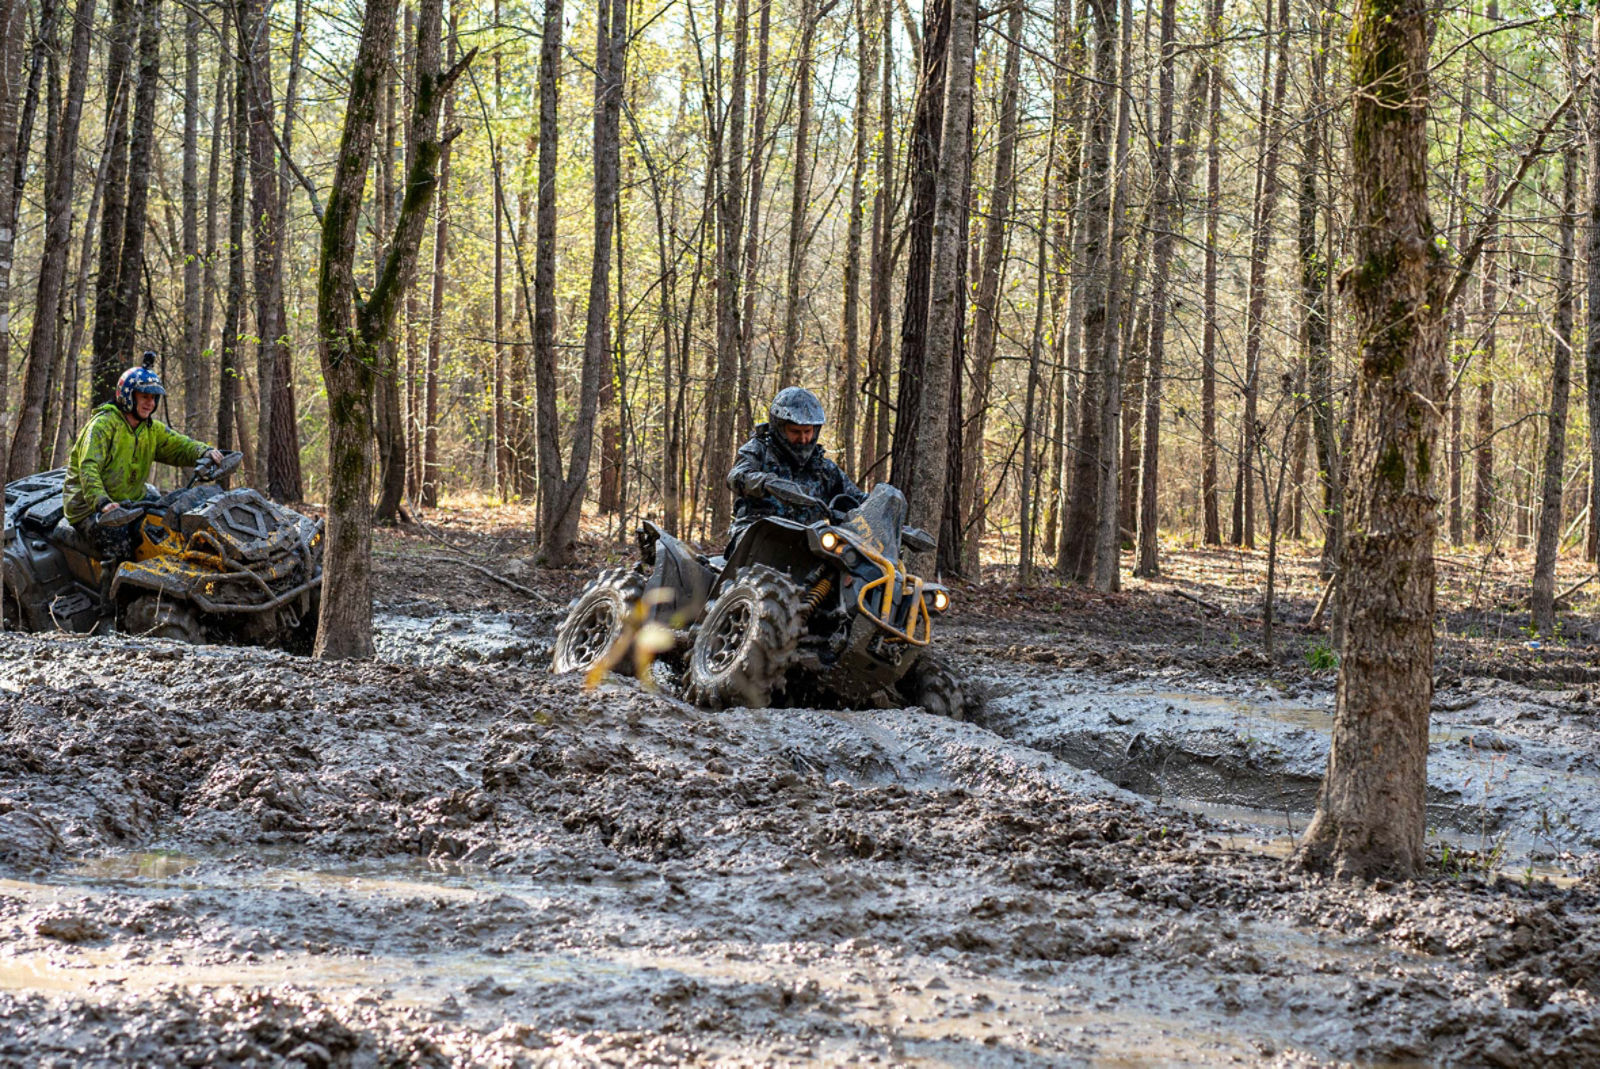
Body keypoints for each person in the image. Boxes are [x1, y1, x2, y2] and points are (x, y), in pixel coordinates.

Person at [63, 358, 223, 588]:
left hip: (130, 499)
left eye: (153, 398)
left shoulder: (150, 429)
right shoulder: (103, 425)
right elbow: (88, 468)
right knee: (119, 547)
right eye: (144, 396)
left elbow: (179, 445)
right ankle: (110, 612)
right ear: (128, 395)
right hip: (89, 507)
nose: (150, 403)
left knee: (165, 521)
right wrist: (102, 502)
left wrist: (204, 451)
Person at [726, 386, 864, 546]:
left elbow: (856, 498)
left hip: (808, 541)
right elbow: (736, 476)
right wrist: (768, 483)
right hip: (757, 533)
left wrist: (886, 507)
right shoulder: (759, 451)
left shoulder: (822, 467)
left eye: (807, 431)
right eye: (795, 431)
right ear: (780, 428)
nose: (803, 438)